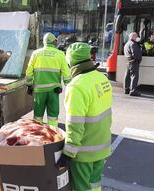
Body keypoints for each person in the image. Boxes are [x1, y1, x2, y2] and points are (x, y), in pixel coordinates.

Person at [56, 42, 112, 191]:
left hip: (84, 152)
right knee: (95, 185)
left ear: (71, 61)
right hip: (102, 146)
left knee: (82, 188)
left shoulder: (76, 87)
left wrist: (68, 153)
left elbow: (75, 125)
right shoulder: (102, 78)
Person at [25, 32, 71, 126]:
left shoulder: (36, 53)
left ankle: (38, 135)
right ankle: (53, 134)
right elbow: (66, 73)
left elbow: (29, 70)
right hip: (54, 91)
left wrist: (29, 85)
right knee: (53, 116)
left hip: (39, 91)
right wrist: (68, 85)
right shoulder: (60, 54)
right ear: (54, 41)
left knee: (38, 116)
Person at [124, 32, 142, 96]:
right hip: (134, 62)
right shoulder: (133, 44)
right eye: (136, 36)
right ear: (133, 37)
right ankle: (133, 91)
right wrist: (139, 60)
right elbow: (135, 54)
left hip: (128, 62)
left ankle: (126, 89)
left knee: (127, 76)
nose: (137, 38)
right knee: (134, 77)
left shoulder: (127, 44)